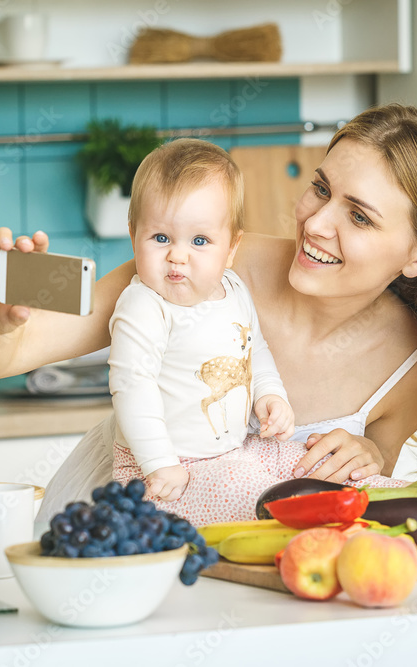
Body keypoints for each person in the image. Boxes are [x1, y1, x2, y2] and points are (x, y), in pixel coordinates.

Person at [0, 104, 417, 522]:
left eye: (360, 217)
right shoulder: (206, 258)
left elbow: (369, 472)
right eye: (320, 188)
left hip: (243, 581)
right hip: (112, 538)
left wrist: (368, 453)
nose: (317, 223)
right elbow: (1, 358)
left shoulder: (414, 368)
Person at [106, 138, 295, 505]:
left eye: (200, 240)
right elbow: (131, 388)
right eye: (161, 238)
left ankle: (370, 500)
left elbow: (255, 349)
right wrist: (159, 463)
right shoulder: (144, 306)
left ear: (231, 248)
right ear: (134, 236)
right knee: (255, 496)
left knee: (304, 463)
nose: (177, 255)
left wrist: (270, 394)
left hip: (231, 452)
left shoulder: (235, 289)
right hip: (164, 469)